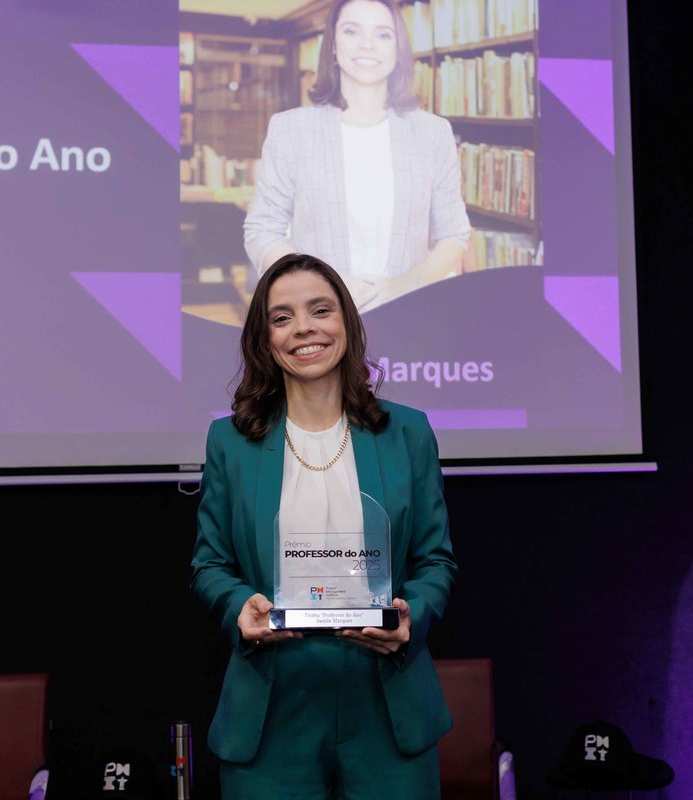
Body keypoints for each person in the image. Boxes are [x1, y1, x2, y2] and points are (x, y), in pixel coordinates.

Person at [190, 252, 458, 799]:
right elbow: (210, 564)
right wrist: (238, 606)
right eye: (281, 317)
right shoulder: (230, 442)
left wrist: (411, 615)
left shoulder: (408, 433)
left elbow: (435, 560)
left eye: (320, 310)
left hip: (387, 704)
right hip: (272, 707)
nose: (303, 329)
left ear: (347, 323)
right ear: (264, 338)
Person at [242, 0, 471, 313]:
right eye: (352, 31)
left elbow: (454, 233)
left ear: (398, 50)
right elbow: (262, 231)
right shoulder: (291, 129)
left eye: (383, 35)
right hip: (317, 317)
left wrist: (406, 285)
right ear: (333, 45)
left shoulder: (432, 133)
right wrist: (324, 284)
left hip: (407, 316)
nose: (367, 44)